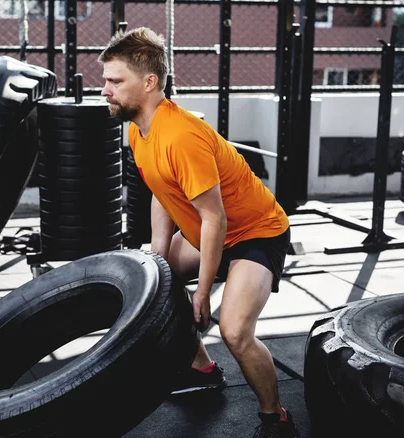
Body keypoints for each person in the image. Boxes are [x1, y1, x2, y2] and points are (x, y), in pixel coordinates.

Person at [99, 27, 299, 438]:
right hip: (209, 229)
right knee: (156, 283)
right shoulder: (139, 129)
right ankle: (203, 369)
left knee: (235, 331)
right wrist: (157, 258)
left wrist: (204, 290)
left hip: (254, 232)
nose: (105, 90)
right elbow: (162, 194)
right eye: (106, 80)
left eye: (115, 81)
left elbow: (216, 219)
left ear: (149, 82)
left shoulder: (181, 136)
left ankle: (275, 417)